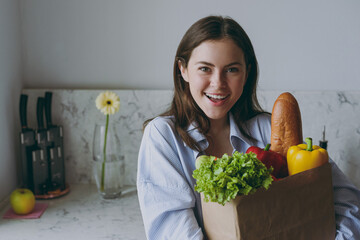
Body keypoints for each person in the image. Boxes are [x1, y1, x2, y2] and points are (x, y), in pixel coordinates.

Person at [137, 15, 360, 240]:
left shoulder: (267, 129)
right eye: (205, 69)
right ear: (183, 70)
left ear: (246, 73)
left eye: (232, 70)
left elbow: (348, 202)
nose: (218, 83)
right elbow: (173, 232)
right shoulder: (163, 136)